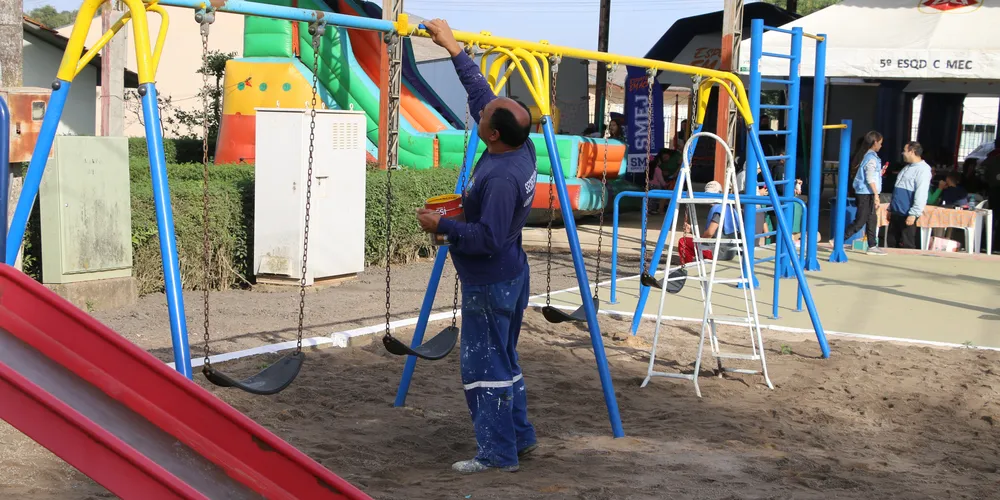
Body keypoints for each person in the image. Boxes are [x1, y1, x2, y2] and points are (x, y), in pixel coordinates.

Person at [416, 18, 537, 474]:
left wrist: (443, 224)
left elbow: (487, 237)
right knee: (506, 359)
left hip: (492, 281)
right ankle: (520, 439)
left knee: (484, 368)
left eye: (484, 118)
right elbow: (481, 95)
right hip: (510, 273)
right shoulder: (518, 146)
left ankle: (497, 454)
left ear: (492, 135)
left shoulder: (504, 177)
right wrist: (453, 49)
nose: (480, 111)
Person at [843, 130, 886, 255]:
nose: (881, 146)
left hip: (866, 192)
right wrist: (876, 195)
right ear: (875, 142)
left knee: (872, 218)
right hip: (866, 193)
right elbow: (869, 178)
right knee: (861, 219)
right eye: (880, 143)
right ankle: (839, 239)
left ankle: (872, 245)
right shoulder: (871, 158)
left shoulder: (865, 156)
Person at [887, 141, 932, 249]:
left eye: (905, 151)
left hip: (907, 213)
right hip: (896, 211)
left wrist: (914, 213)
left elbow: (921, 193)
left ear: (912, 152)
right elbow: (897, 190)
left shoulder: (923, 170)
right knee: (892, 242)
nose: (903, 153)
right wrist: (890, 208)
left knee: (907, 243)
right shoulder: (906, 168)